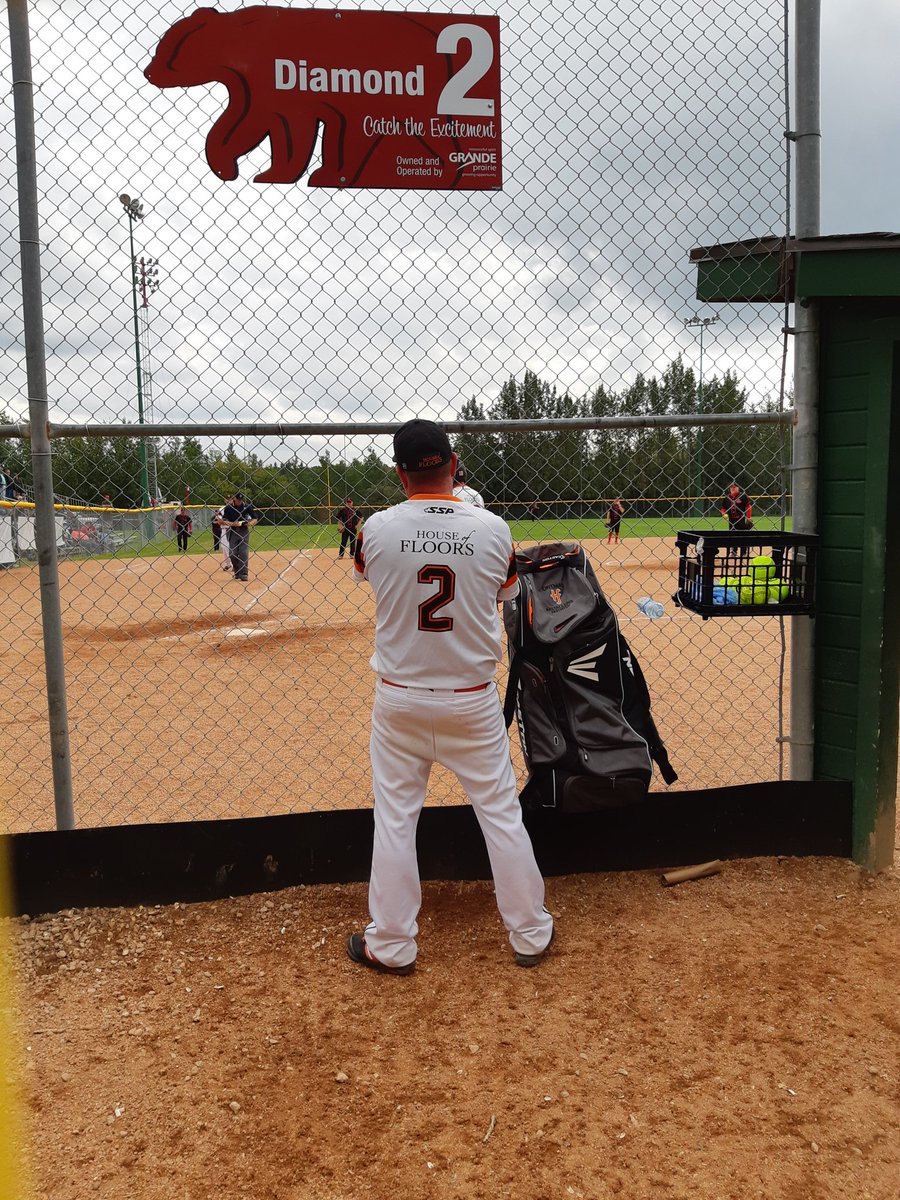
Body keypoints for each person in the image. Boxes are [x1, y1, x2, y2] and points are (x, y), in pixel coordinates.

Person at [347, 418, 555, 976]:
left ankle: (391, 943)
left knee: (395, 818)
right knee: (500, 815)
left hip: (400, 697)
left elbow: (367, 574)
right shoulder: (492, 529)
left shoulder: (376, 529)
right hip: (471, 697)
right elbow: (507, 592)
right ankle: (530, 934)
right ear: (454, 463)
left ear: (399, 473)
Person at [221, 492, 257, 581]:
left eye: (241, 500)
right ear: (234, 499)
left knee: (243, 552)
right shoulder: (229, 508)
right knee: (232, 554)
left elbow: (255, 519)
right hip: (233, 531)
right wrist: (233, 524)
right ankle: (237, 572)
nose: (239, 502)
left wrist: (249, 524)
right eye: (238, 500)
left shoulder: (246, 506)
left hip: (244, 530)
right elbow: (224, 520)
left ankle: (244, 574)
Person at [212, 500, 232, 570]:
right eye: (227, 499)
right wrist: (230, 522)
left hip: (233, 530)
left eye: (231, 499)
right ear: (225, 500)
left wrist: (226, 522)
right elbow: (220, 522)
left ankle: (234, 564)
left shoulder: (235, 509)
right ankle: (229, 564)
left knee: (232, 548)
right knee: (224, 547)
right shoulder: (222, 509)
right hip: (224, 530)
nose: (229, 501)